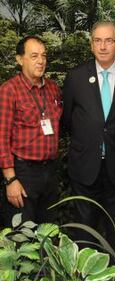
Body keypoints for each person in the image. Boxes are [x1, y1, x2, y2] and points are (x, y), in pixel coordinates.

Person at [62, 21, 115, 256]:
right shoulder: (76, 77)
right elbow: (68, 119)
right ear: (91, 45)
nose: (103, 46)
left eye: (109, 40)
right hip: (85, 164)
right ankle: (86, 279)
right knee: (84, 226)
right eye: (97, 40)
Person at [0, 36, 62, 226]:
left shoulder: (53, 88)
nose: (41, 61)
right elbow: (2, 138)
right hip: (23, 173)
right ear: (20, 59)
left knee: (47, 232)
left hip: (50, 172)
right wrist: (10, 180)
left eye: (43, 55)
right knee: (22, 236)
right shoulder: (9, 90)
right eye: (34, 56)